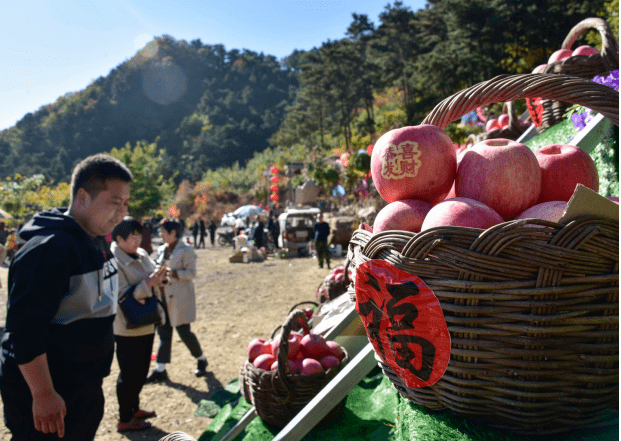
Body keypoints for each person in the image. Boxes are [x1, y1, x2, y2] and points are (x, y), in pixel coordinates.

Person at [0, 153, 132, 440]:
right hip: (51, 391)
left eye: (125, 203)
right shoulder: (49, 249)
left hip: (82, 385)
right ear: (83, 197)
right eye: (114, 202)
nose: (122, 213)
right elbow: (24, 330)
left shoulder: (94, 238)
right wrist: (43, 394)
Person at [111, 217, 168, 432]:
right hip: (127, 325)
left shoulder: (142, 254)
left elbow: (152, 276)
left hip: (147, 320)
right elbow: (122, 295)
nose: (137, 240)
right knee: (129, 373)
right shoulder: (113, 261)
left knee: (142, 368)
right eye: (131, 236)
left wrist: (162, 276)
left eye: (138, 235)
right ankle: (125, 419)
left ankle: (133, 408)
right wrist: (150, 283)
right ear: (119, 238)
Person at [146, 218, 207, 383]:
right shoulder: (162, 249)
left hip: (179, 297)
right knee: (164, 333)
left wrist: (174, 273)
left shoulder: (186, 250)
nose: (160, 235)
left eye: (163, 232)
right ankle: (160, 368)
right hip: (163, 296)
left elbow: (192, 273)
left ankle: (201, 358)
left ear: (173, 233)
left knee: (184, 332)